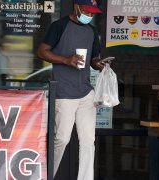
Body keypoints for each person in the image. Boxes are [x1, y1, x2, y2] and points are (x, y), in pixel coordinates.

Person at [37, 0, 111, 179]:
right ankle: (47, 175)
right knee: (62, 139)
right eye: (87, 11)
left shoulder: (91, 31)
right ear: (76, 7)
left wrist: (99, 64)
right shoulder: (59, 26)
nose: (90, 15)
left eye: (93, 13)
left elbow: (93, 59)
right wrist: (65, 60)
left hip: (86, 92)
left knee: (88, 141)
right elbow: (42, 52)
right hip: (64, 92)